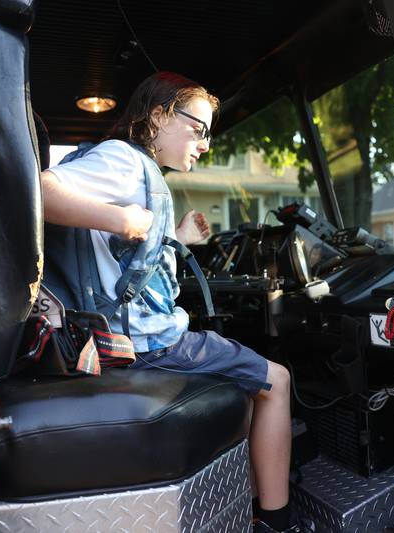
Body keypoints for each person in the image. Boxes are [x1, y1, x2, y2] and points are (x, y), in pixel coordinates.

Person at [40, 71, 311, 533]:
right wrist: (119, 218)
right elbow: (41, 190)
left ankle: (247, 500)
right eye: (198, 129)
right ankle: (278, 520)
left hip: (137, 336)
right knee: (278, 380)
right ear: (160, 114)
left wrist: (175, 237)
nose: (204, 144)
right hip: (148, 344)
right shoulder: (123, 159)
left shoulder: (140, 172)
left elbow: (127, 259)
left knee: (246, 392)